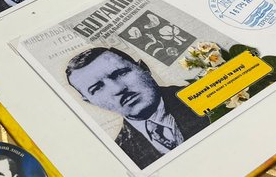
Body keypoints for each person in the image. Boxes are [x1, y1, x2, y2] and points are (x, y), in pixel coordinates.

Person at [65, 47, 209, 169]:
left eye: (121, 73)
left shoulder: (207, 93)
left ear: (144, 68)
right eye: (97, 88)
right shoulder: (121, 155)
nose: (118, 89)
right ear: (90, 101)